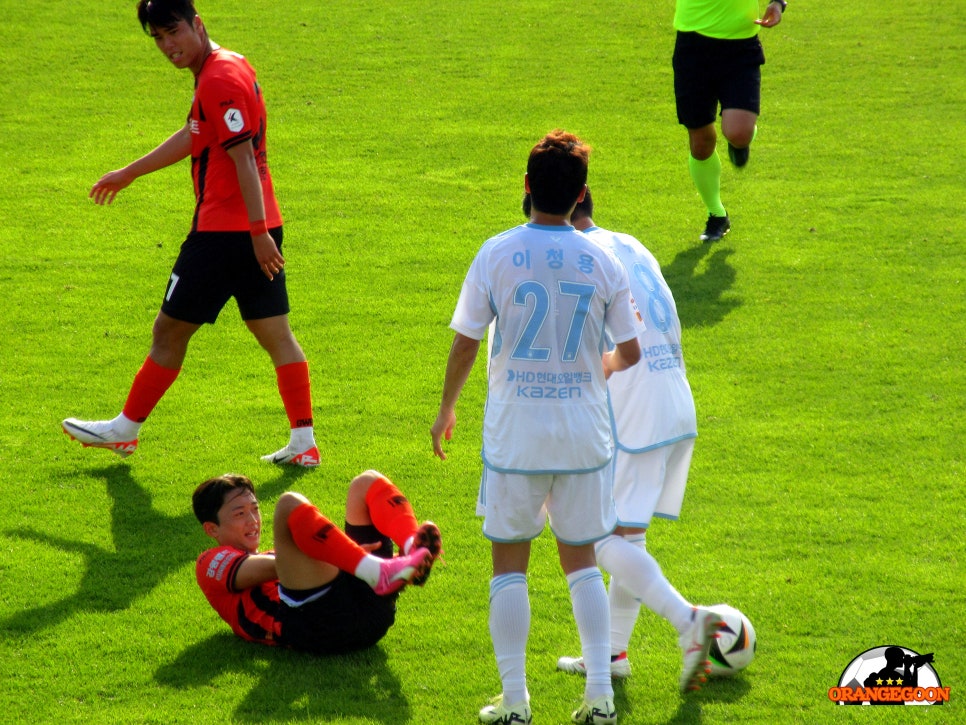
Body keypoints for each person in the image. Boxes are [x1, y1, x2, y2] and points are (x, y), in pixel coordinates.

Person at [431, 131, 643, 725]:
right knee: (581, 561)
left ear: (525, 187)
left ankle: (517, 702)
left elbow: (466, 344)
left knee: (509, 563)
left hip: (516, 435)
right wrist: (590, 368)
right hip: (583, 435)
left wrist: (446, 409)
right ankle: (600, 697)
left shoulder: (496, 252)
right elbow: (628, 352)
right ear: (582, 196)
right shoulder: (604, 259)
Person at [62, 0, 319, 466]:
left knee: (169, 330)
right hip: (257, 228)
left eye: (173, 32)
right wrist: (130, 172)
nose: (167, 46)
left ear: (197, 25)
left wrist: (256, 233)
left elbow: (241, 157)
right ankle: (304, 443)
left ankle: (125, 429)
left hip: (224, 235)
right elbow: (195, 132)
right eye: (158, 38)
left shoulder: (218, 79)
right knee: (275, 332)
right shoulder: (229, 64)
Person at [542, 190, 723, 693]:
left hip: (631, 409)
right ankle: (613, 654)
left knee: (592, 539)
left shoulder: (580, 258)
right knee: (628, 538)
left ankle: (691, 621)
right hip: (674, 400)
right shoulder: (630, 243)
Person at [192, 470, 442, 653]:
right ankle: (377, 571)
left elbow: (303, 563)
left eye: (255, 509)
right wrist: (341, 558)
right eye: (239, 513)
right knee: (288, 504)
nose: (253, 520)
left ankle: (413, 550)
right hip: (313, 628)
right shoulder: (208, 562)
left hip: (365, 611)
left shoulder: (276, 553)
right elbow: (274, 567)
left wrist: (346, 558)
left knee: (365, 483)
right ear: (212, 529)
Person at [672, 0, 787, 241]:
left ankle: (739, 144)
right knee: (701, 145)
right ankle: (716, 214)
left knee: (739, 133)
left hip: (740, 47)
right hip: (692, 48)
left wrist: (777, 3)